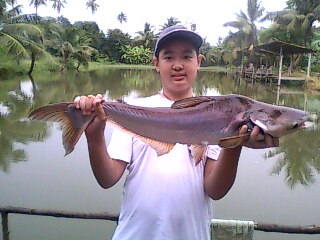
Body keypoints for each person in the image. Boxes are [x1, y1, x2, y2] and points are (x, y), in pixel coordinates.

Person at [74, 25, 279, 240]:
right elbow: (107, 178)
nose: (178, 65)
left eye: (187, 57)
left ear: (198, 62)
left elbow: (216, 190)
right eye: (169, 57)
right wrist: (95, 137)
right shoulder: (134, 111)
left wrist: (235, 143)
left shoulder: (221, 115)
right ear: (156, 64)